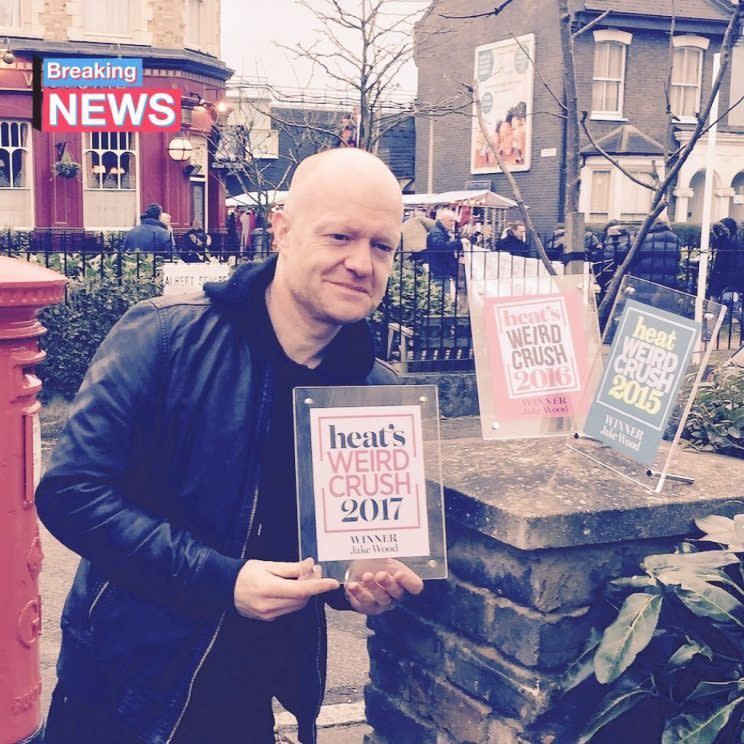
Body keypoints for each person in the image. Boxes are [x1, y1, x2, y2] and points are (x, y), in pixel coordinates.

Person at [37, 148, 424, 744]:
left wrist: (360, 587)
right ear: (284, 231)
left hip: (254, 701)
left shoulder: (375, 393)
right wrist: (222, 580)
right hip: (123, 691)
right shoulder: (165, 335)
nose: (360, 263)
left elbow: (343, 548)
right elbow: (71, 494)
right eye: (340, 236)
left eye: (382, 246)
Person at [628, 218, 681, 289]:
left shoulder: (643, 239)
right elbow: (677, 258)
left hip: (645, 281)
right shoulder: (675, 238)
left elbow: (634, 259)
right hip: (668, 283)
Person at [709, 218, 744, 305]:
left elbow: (737, 265)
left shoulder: (732, 243)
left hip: (726, 282)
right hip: (722, 280)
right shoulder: (724, 241)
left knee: (721, 308)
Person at [423, 207, 462, 280]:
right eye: (450, 221)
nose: (452, 223)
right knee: (443, 290)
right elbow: (440, 247)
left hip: (442, 270)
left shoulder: (440, 231)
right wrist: (459, 243)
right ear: (442, 220)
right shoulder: (437, 232)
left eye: (453, 221)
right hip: (440, 272)